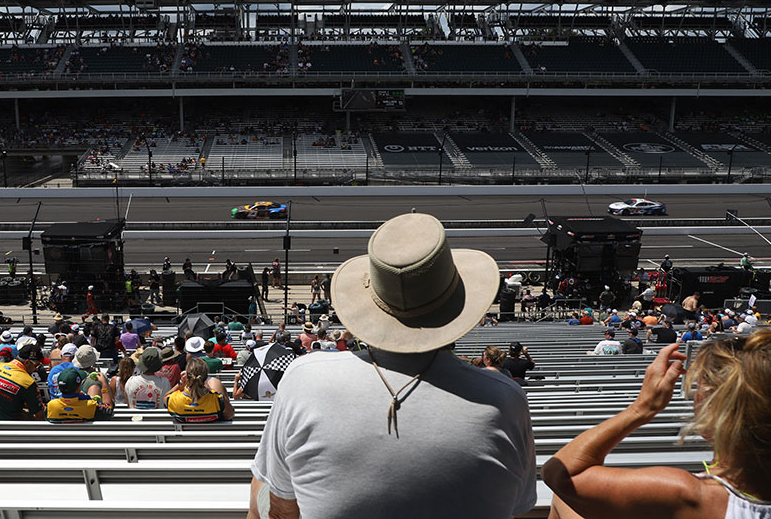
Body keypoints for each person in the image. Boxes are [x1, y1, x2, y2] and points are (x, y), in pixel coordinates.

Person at [248, 213, 535, 519]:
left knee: (260, 484)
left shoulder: (303, 380)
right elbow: (515, 507)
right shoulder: (506, 398)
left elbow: (281, 511)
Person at [543, 336, 771, 519]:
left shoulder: (689, 495)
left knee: (563, 498)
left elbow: (560, 474)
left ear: (716, 405)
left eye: (697, 388)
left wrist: (643, 407)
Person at [0, 344, 46, 420]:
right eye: (37, 365)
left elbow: (1, 397)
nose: (37, 369)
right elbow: (39, 416)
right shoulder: (28, 383)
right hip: (3, 429)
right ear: (27, 362)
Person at [165, 357, 234, 423]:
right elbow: (229, 415)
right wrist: (210, 389)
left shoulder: (176, 399)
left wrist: (180, 384)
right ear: (205, 376)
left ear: (187, 376)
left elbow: (166, 397)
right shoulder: (217, 399)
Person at [46, 368, 114, 423]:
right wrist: (104, 385)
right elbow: (109, 409)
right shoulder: (90, 405)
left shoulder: (51, 406)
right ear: (79, 387)